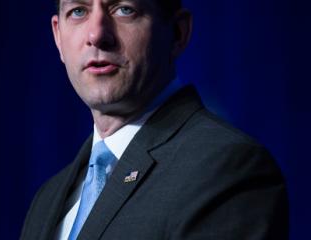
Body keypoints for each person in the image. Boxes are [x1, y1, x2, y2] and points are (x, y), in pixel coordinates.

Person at [20, 0, 289, 239]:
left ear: (177, 33)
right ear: (58, 36)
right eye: (78, 11)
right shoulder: (47, 200)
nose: (97, 34)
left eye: (125, 9)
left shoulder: (228, 168)